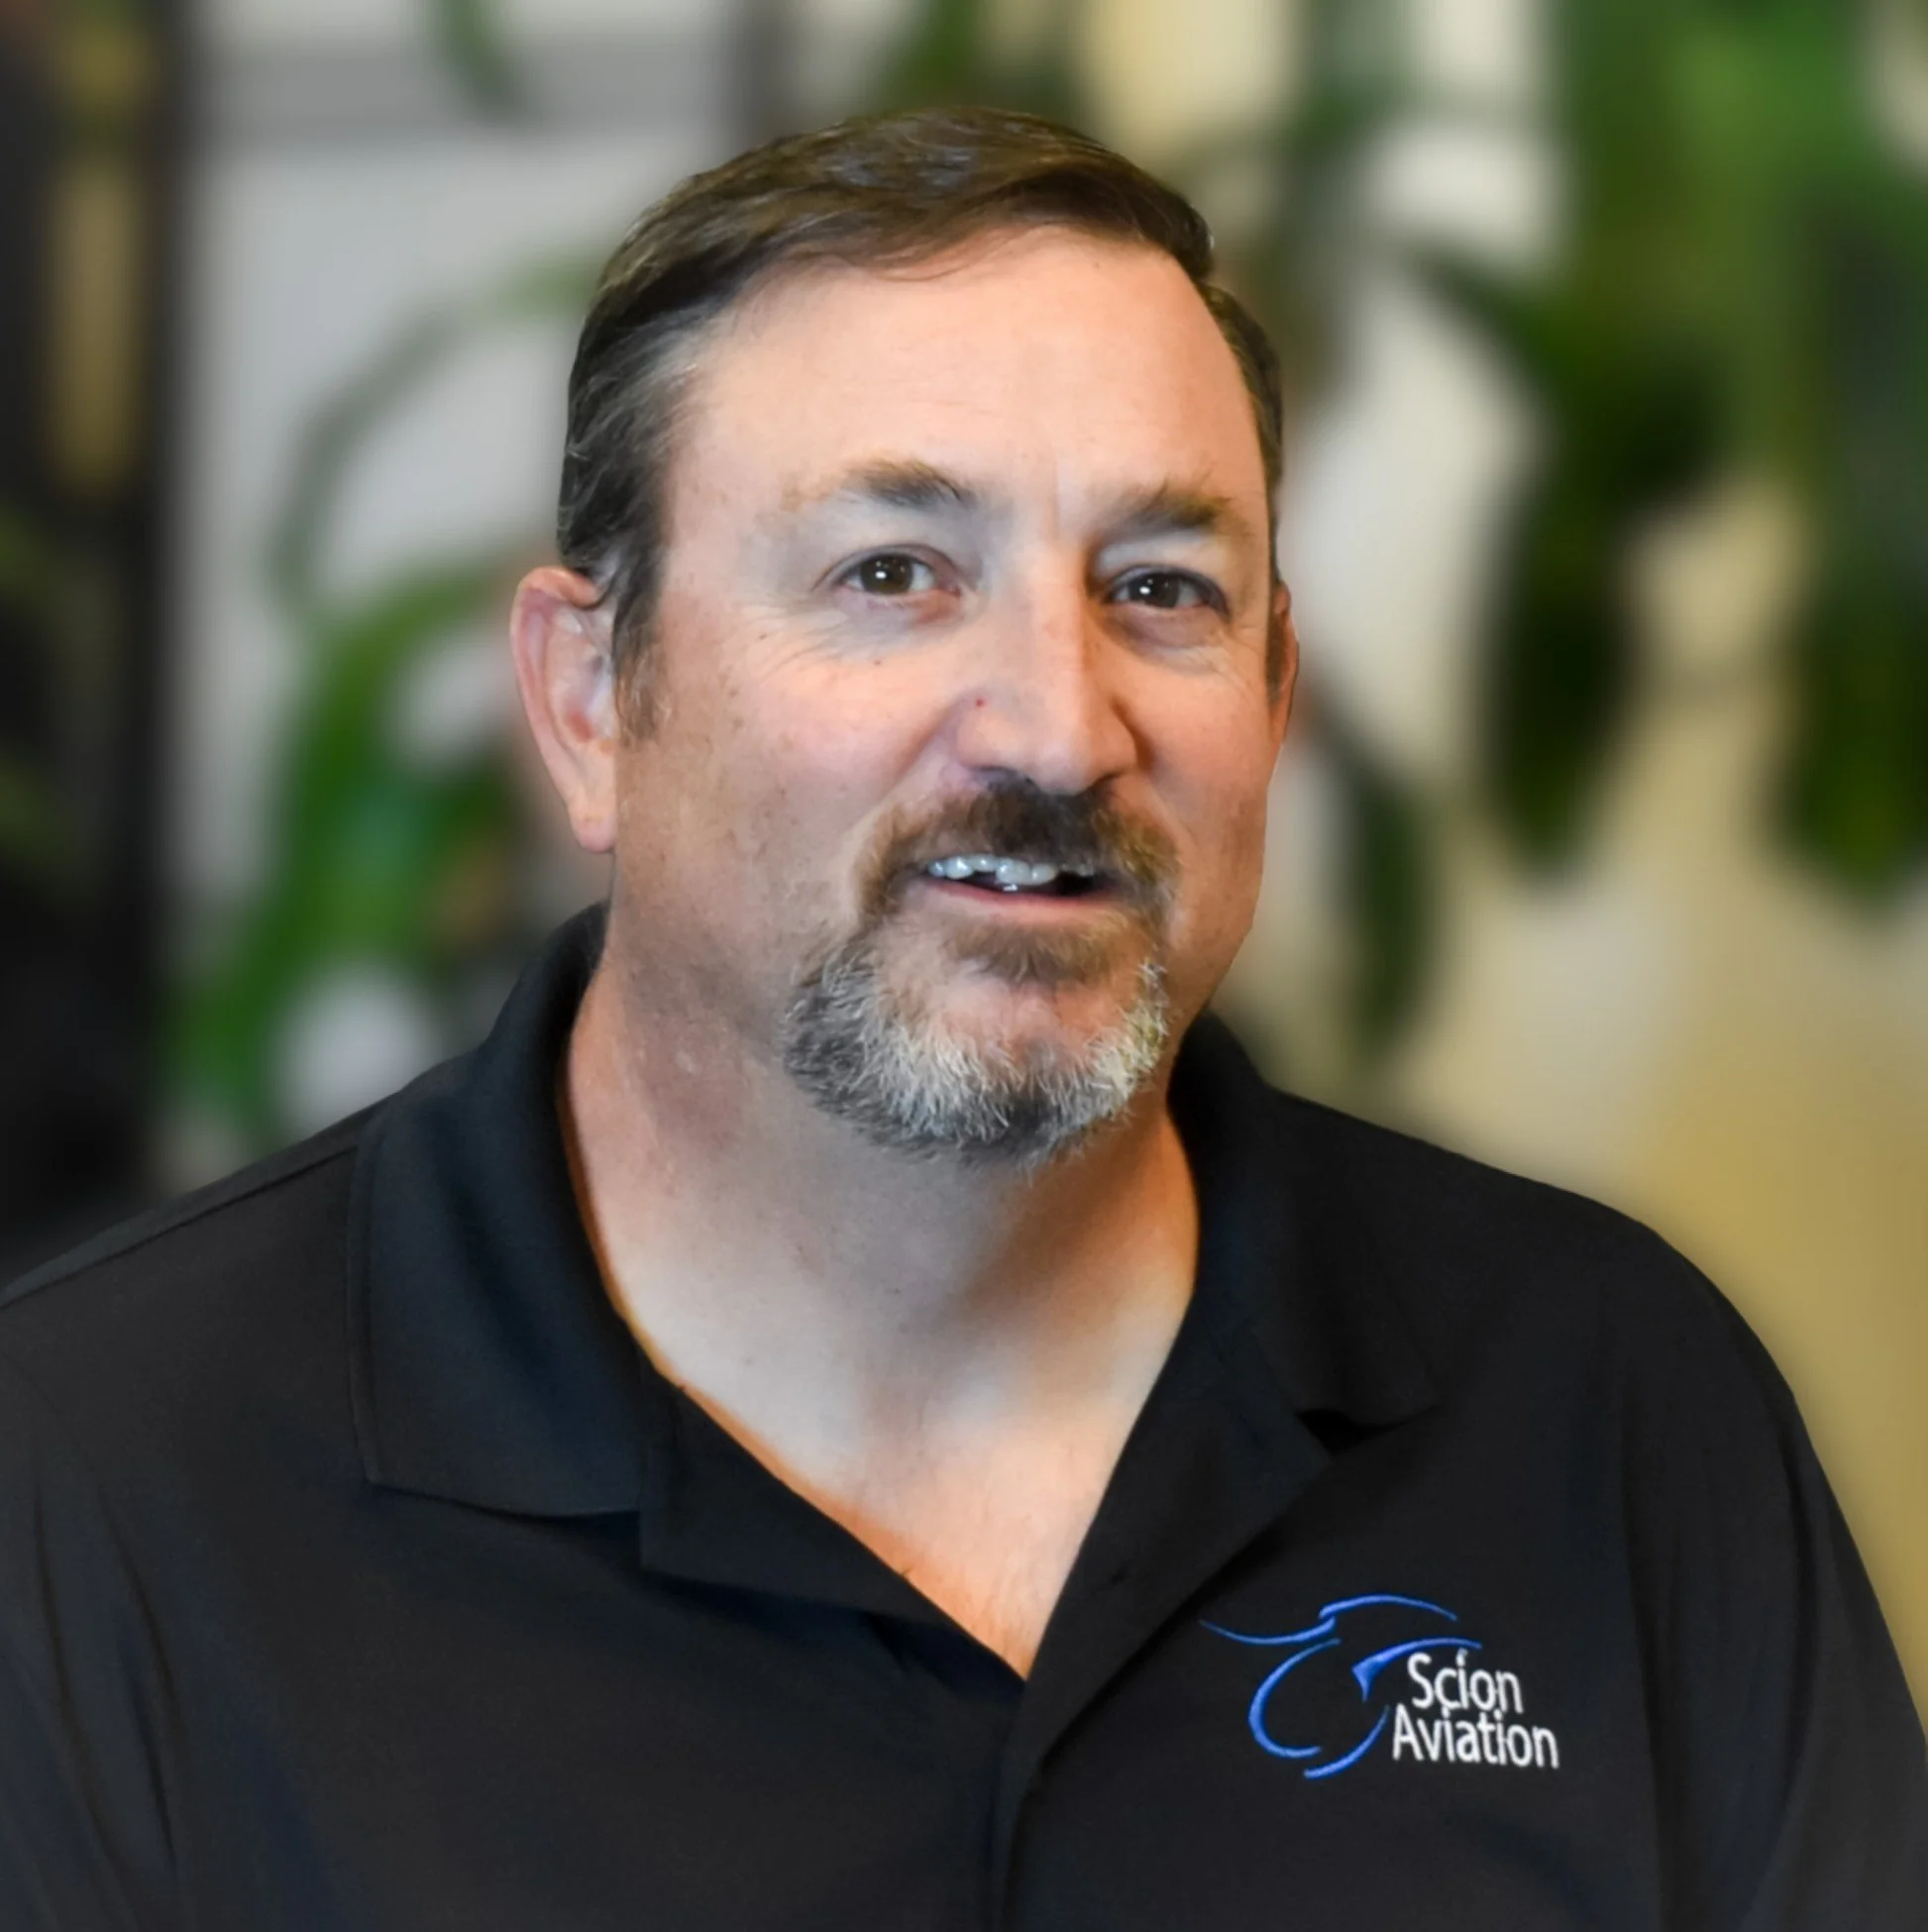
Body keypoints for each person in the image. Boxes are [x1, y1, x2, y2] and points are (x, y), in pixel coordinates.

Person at [1, 106, 1921, 1932]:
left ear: (1270, 699)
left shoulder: (1609, 1413)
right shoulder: (85, 1498)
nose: (1056, 728)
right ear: (594, 698)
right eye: (893, 575)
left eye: (1160, 590)